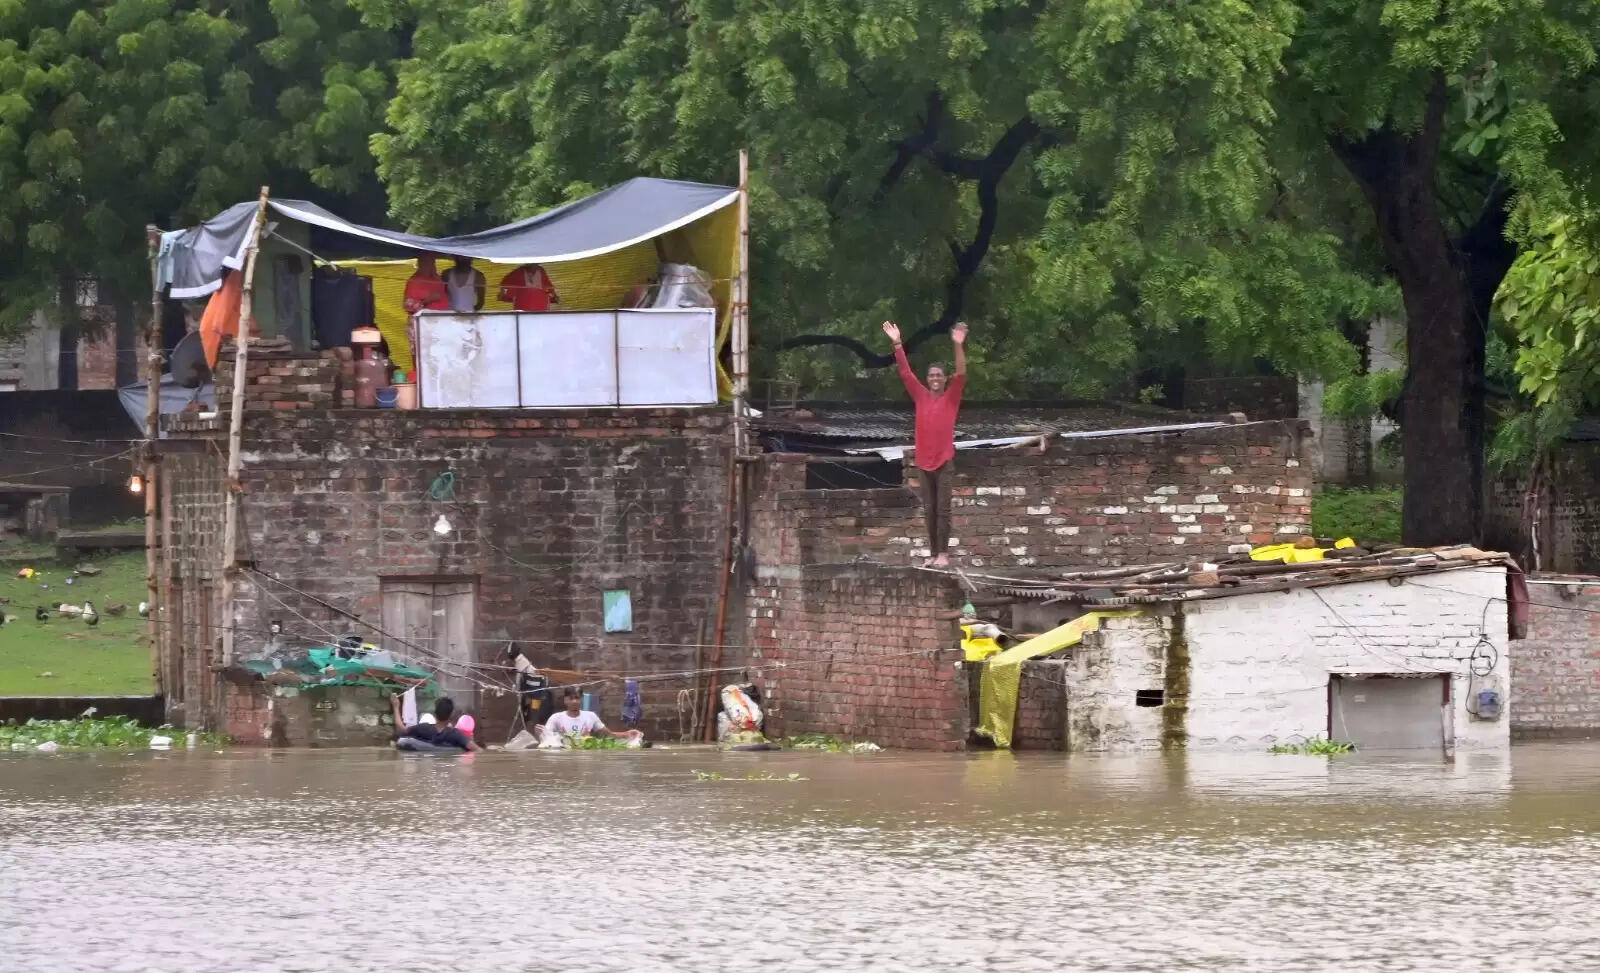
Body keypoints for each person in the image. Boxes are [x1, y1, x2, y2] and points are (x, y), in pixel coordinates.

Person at [883, 319, 968, 567]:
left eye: (939, 375)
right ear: (927, 379)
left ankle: (943, 554)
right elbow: (905, 374)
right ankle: (933, 554)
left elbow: (961, 373)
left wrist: (958, 344)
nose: (935, 378)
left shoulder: (951, 397)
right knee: (929, 510)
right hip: (923, 463)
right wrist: (897, 343)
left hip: (944, 461)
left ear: (944, 379)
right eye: (931, 375)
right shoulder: (920, 396)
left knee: (943, 510)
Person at [540, 687, 642, 746]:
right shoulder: (556, 717)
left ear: (582, 699)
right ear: (565, 700)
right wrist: (540, 734)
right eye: (571, 698)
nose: (574, 701)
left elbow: (609, 735)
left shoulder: (590, 716)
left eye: (577, 698)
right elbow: (545, 739)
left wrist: (627, 734)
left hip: (585, 757)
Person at [390, 694, 480, 751]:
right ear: (451, 715)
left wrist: (396, 706)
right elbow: (477, 750)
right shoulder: (455, 734)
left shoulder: (423, 728)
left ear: (434, 713)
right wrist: (470, 740)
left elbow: (401, 729)